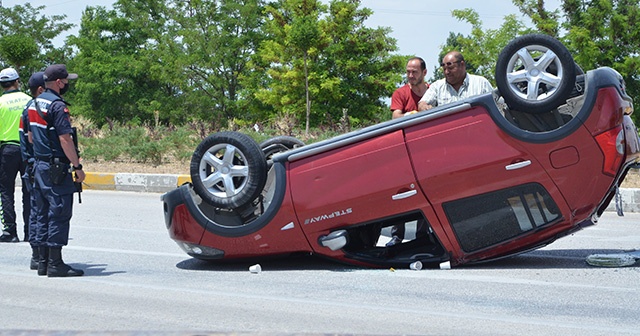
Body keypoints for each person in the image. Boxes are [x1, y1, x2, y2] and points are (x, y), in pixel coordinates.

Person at [28, 64, 85, 277]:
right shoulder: (58, 106)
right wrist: (77, 166)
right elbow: (65, 139)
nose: (68, 84)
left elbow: (32, 137)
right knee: (59, 212)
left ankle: (42, 262)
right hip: (56, 168)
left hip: (40, 165)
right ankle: (55, 263)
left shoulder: (34, 104)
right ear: (59, 82)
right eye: (67, 80)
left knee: (41, 213)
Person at [387, 57, 430, 246]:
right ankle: (397, 235)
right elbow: (395, 117)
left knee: (427, 190)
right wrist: (411, 115)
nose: (410, 75)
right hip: (403, 151)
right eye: (408, 72)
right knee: (402, 193)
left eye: (414, 72)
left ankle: (422, 235)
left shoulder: (432, 91)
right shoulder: (401, 93)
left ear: (424, 73)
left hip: (427, 150)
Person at [0, 67, 32, 243]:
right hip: (27, 150)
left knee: (6, 191)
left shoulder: (0, 103)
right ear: (17, 81)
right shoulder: (29, 100)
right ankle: (30, 231)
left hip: (7, 150)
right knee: (29, 192)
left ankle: (10, 231)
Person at [21, 72, 45, 270]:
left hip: (30, 163)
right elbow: (32, 139)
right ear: (40, 89)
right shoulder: (36, 108)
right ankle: (42, 257)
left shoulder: (27, 108)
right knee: (43, 211)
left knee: (36, 212)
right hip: (38, 164)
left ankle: (37, 257)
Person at [418, 51, 493, 111]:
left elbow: (497, 105)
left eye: (450, 68)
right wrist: (424, 107)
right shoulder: (437, 87)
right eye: (444, 69)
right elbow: (422, 104)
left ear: (462, 65)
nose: (447, 72)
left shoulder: (481, 83)